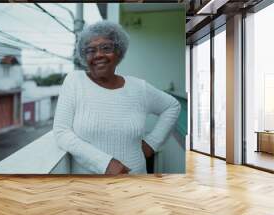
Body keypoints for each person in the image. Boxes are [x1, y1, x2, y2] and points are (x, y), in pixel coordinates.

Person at [53, 21, 180, 174]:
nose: (98, 54)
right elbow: (61, 132)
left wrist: (152, 143)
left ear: (119, 51)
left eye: (106, 48)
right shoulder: (74, 81)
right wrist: (105, 163)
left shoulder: (139, 88)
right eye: (90, 50)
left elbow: (172, 106)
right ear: (84, 56)